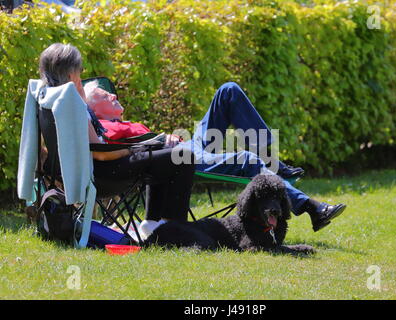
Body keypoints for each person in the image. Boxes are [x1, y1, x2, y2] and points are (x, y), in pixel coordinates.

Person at [83, 80, 347, 232]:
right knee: (246, 160)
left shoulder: (121, 121)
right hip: (180, 160)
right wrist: (163, 140)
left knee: (228, 91)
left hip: (188, 147)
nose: (114, 94)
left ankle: (271, 159)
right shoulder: (104, 127)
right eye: (105, 95)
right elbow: (131, 151)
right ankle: (312, 208)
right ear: (95, 109)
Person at [38, 43, 195, 239]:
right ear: (71, 73)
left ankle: (153, 223)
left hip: (88, 170)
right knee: (183, 156)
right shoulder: (72, 103)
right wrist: (136, 148)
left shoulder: (51, 97)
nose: (81, 73)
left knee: (162, 154)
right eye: (79, 69)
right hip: (103, 173)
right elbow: (101, 153)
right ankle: (176, 229)